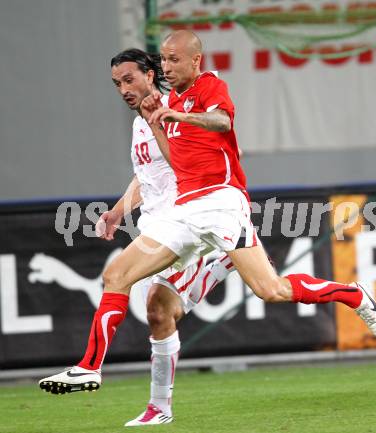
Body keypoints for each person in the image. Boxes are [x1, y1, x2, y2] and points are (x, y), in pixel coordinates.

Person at [40, 31, 376, 426]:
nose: (165, 68)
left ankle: (351, 294)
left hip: (221, 205)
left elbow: (221, 122)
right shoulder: (154, 114)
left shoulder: (208, 87)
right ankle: (90, 368)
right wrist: (123, 202)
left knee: (270, 290)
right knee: (121, 278)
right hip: (182, 214)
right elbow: (164, 166)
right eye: (117, 83)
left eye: (167, 62)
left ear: (190, 62)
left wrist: (174, 116)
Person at [39, 48, 235, 426]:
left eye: (129, 79)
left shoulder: (174, 112)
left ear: (151, 73)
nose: (123, 89)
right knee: (160, 312)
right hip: (159, 226)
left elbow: (196, 162)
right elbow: (147, 178)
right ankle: (159, 409)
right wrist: (117, 211)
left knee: (120, 279)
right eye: (116, 84)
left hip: (185, 225)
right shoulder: (140, 123)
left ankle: (89, 366)